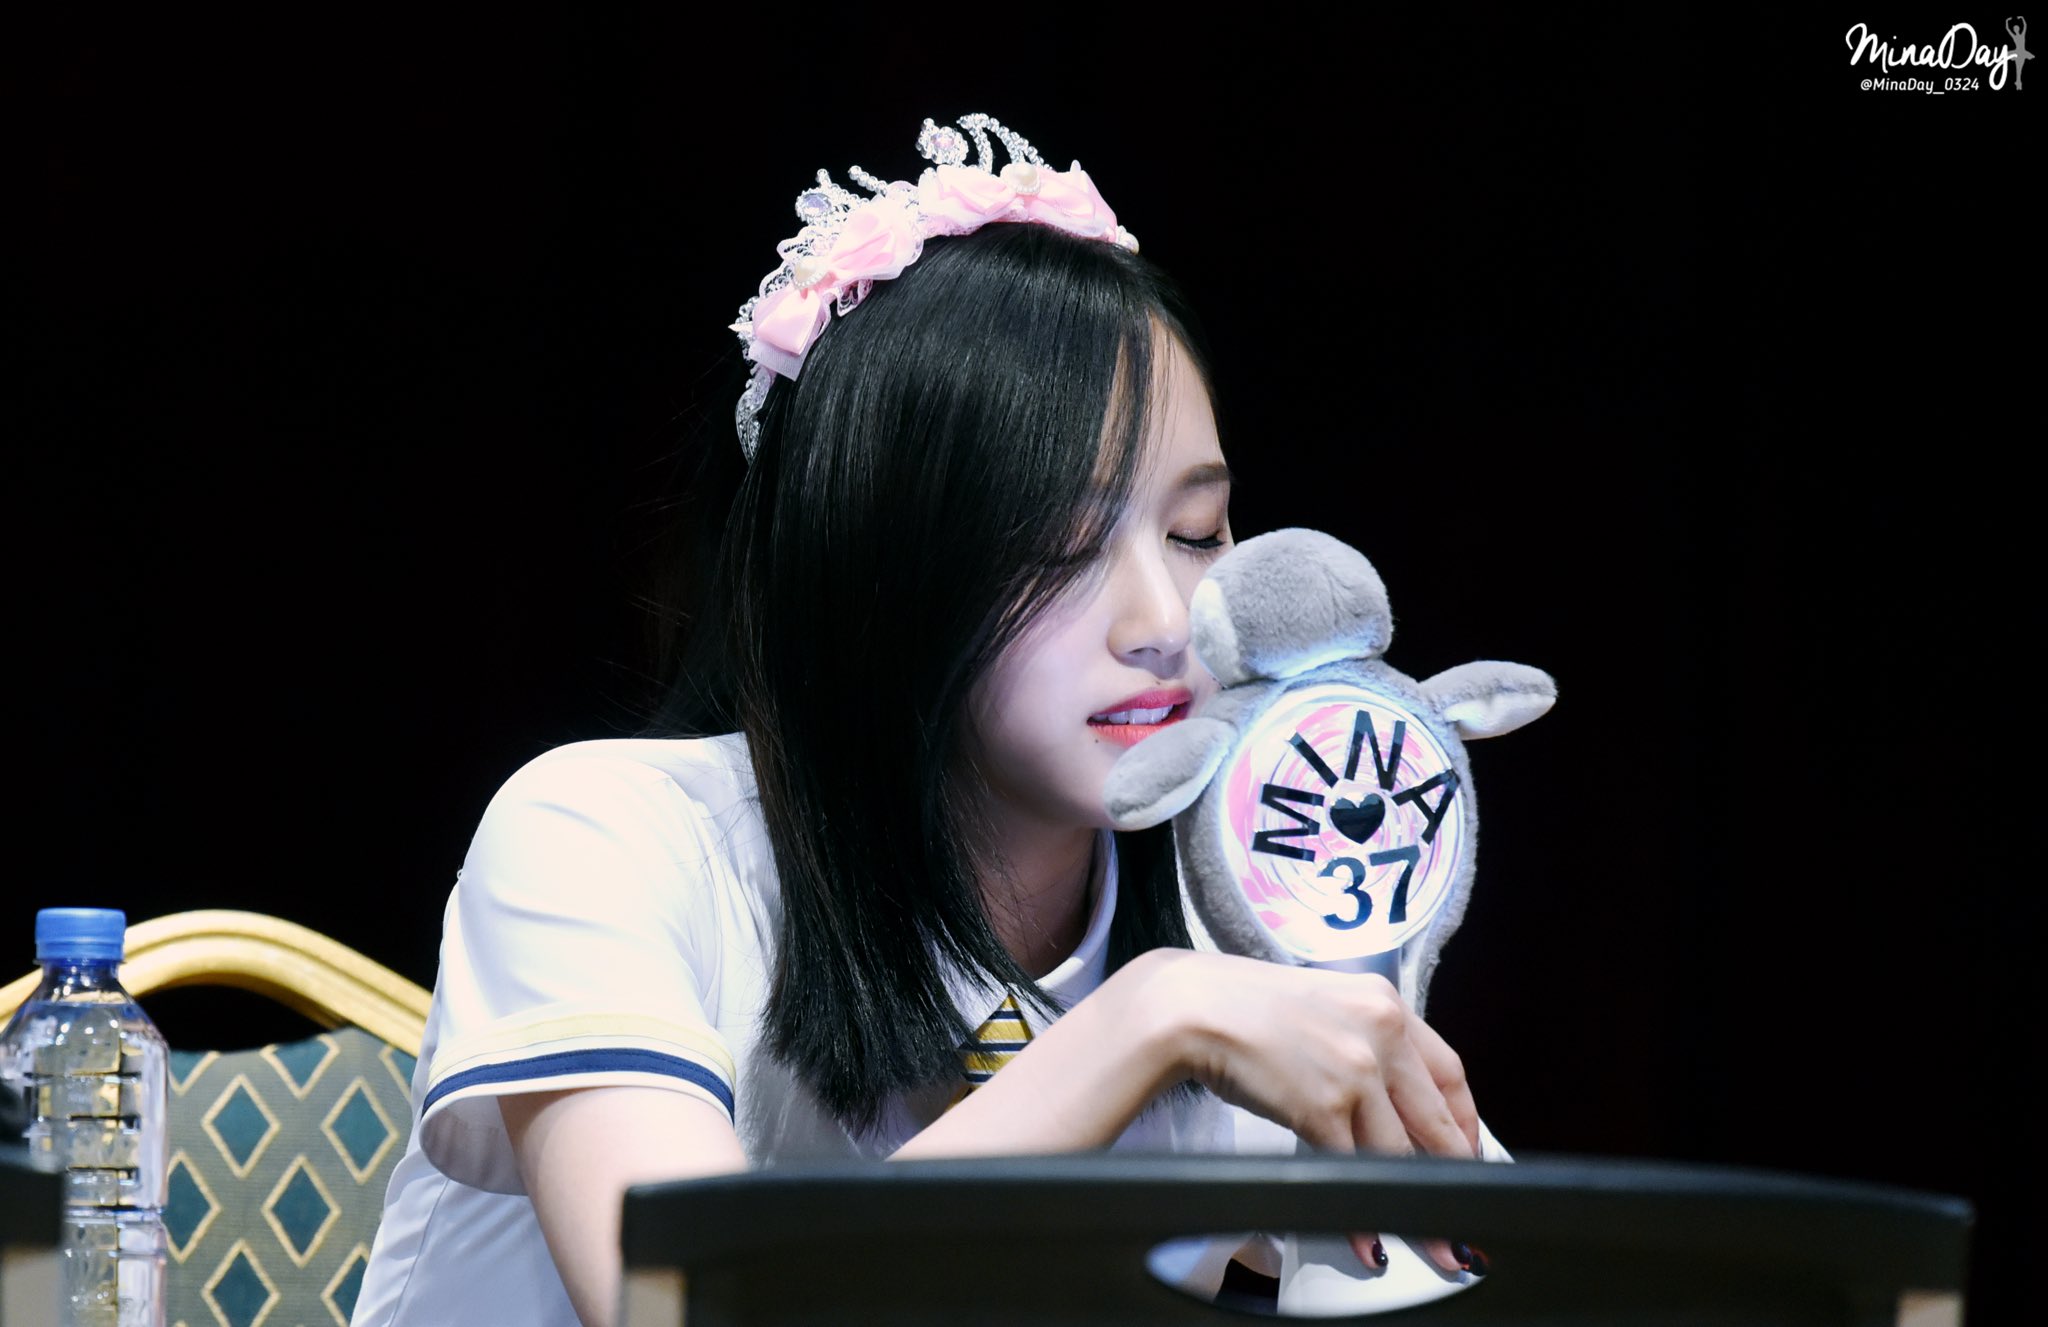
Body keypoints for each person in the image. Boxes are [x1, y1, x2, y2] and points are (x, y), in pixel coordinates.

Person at [352, 114, 1485, 1327]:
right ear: (873, 571)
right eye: (1058, 547)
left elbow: (1473, 1282)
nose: (1165, 620)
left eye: (1195, 533)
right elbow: (677, 1302)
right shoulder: (600, 837)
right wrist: (1146, 1024)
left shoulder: (1234, 922)